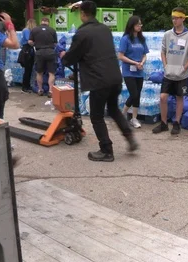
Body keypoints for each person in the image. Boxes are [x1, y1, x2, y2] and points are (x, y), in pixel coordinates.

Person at [61, 1, 138, 162]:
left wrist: (63, 57)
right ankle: (129, 137)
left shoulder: (82, 33)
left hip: (99, 80)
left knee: (96, 116)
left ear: (82, 13)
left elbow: (71, 57)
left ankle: (106, 150)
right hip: (114, 77)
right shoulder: (105, 29)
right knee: (113, 109)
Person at [152, 7, 188, 135]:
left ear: (183, 18)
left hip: (182, 75)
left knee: (179, 98)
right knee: (163, 97)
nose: (174, 20)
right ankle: (164, 123)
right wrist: (165, 66)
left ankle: (176, 123)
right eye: (173, 18)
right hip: (168, 73)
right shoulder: (167, 34)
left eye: (176, 18)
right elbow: (163, 51)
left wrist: (184, 68)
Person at [118, 15, 149, 128]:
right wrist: (134, 62)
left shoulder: (142, 39)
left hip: (139, 70)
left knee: (138, 94)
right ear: (132, 25)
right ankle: (123, 114)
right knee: (134, 93)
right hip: (128, 71)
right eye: (138, 24)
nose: (140, 26)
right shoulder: (125, 39)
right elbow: (120, 56)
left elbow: (144, 54)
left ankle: (134, 118)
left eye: (140, 24)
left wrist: (142, 62)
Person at [29, 17, 57, 97]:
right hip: (50, 52)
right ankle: (50, 91)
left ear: (41, 22)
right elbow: (55, 44)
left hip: (39, 52)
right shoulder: (52, 30)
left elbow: (30, 41)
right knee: (51, 73)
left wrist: (36, 44)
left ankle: (40, 90)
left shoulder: (34, 30)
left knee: (39, 72)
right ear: (48, 22)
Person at [20, 19, 36, 93]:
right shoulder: (27, 31)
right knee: (27, 70)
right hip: (27, 50)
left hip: (27, 50)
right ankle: (25, 86)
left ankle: (27, 85)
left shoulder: (25, 30)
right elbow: (29, 40)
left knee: (28, 70)